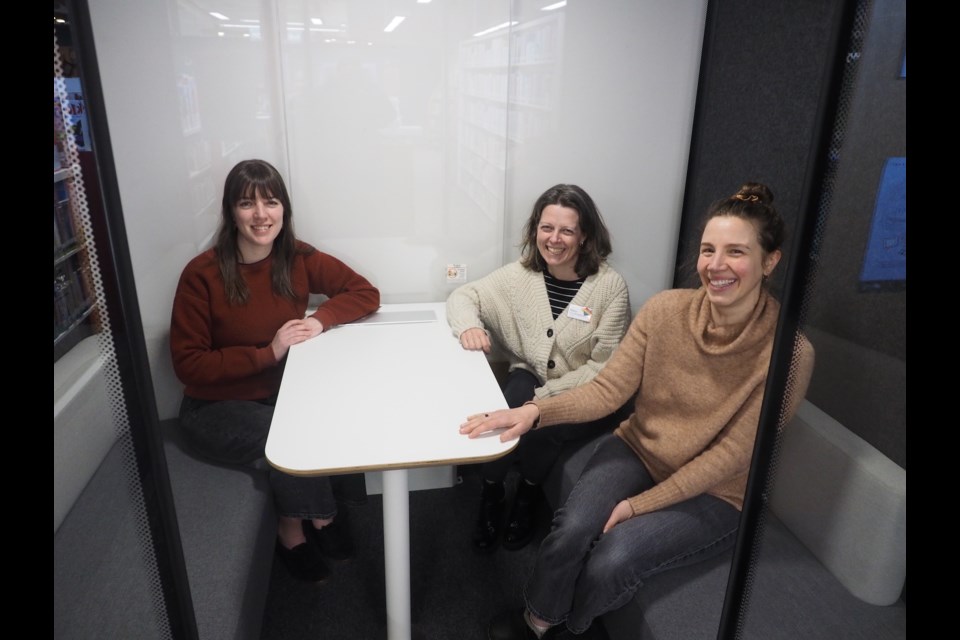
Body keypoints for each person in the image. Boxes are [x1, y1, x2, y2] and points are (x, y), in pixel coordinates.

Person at [460, 182, 815, 638]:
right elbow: (608, 389)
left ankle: (576, 627)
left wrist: (635, 508)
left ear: (770, 261)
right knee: (573, 529)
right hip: (639, 450)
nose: (716, 265)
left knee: (616, 555)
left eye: (736, 252)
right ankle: (539, 621)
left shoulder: (790, 355)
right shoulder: (665, 311)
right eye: (708, 250)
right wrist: (534, 412)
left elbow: (729, 459)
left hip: (718, 491)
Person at [170, 159, 380, 583]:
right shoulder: (202, 274)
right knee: (289, 433)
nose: (261, 215)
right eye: (247, 204)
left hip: (280, 394)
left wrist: (321, 319)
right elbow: (188, 364)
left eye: (271, 202)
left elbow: (364, 292)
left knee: (333, 408)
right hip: (214, 408)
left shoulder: (297, 256)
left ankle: (318, 513)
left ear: (284, 209)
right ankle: (304, 526)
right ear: (231, 212)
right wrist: (268, 352)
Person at [447, 184, 631, 552]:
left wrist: (543, 402)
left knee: (542, 426)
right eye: (547, 228)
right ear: (535, 230)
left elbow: (603, 366)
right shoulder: (520, 277)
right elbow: (464, 296)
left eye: (567, 230)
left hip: (583, 392)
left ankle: (528, 494)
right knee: (508, 401)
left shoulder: (609, 287)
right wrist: (469, 324)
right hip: (529, 376)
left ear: (585, 236)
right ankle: (492, 492)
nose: (555, 239)